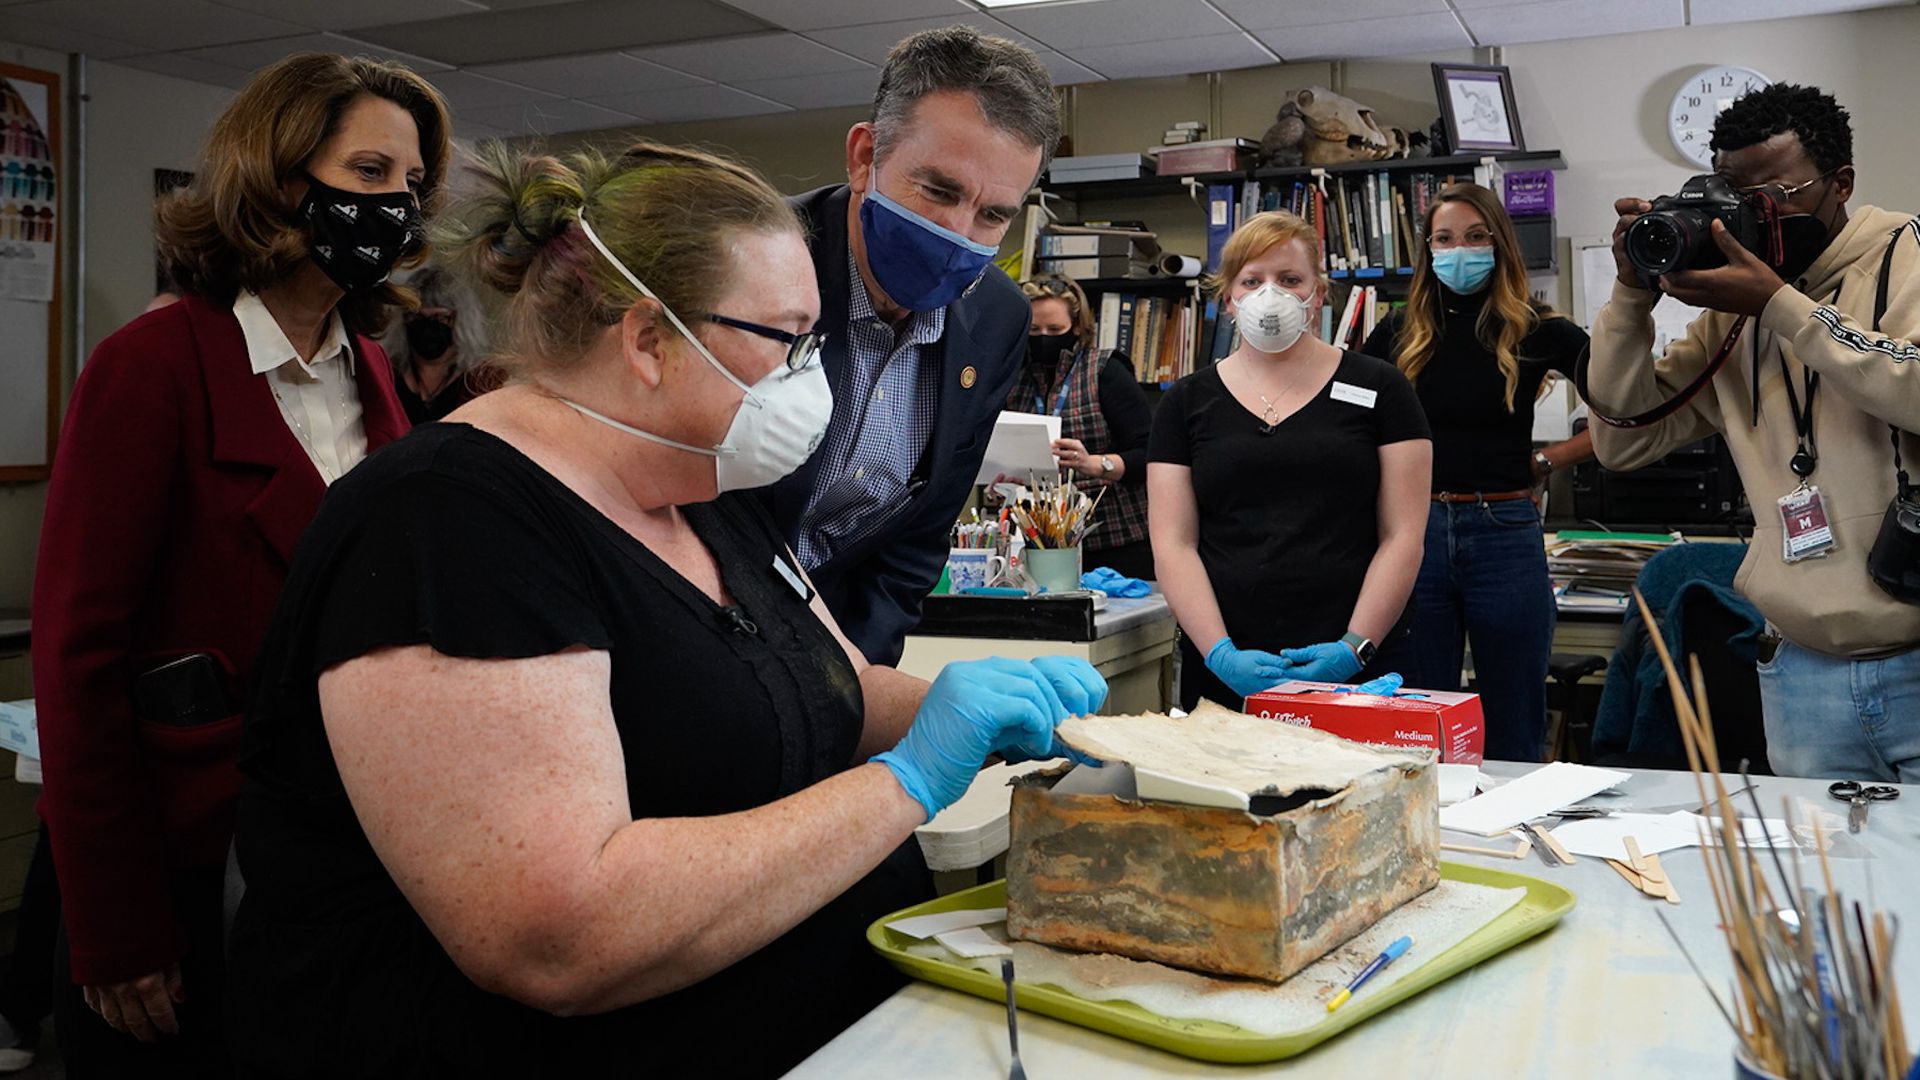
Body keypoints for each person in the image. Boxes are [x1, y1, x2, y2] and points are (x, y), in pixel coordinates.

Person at [225, 141, 1106, 1078]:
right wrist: (909, 783)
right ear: (648, 340)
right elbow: (557, 935)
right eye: (788, 340)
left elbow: (819, 690)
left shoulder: (701, 488)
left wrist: (951, 704)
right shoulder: (446, 517)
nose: (815, 375)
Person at [29, 53, 445, 1074]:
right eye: (372, 172)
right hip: (187, 855)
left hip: (344, 852)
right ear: (279, 175)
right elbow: (77, 660)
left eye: (414, 182)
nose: (400, 204)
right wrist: (114, 926)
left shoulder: (372, 368)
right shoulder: (153, 365)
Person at [1588, 83, 1920, 781]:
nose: (1755, 218)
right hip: (1798, 666)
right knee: (1829, 884)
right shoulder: (1731, 318)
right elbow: (1622, 438)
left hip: (1914, 657)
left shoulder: (1904, 254)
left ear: (1841, 184)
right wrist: (1630, 297)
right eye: (1740, 198)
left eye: (1777, 198)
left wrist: (1781, 305)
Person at [762, 26, 1061, 666]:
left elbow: (917, 543)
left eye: (993, 215)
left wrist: (856, 687)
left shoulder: (997, 317)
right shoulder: (755, 262)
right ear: (865, 156)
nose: (958, 233)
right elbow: (694, 507)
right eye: (939, 191)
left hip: (838, 644)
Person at [1150, 211, 1432, 711]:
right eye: (1252, 281)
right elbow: (1174, 541)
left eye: (1289, 279)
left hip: (1359, 660)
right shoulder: (1185, 403)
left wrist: (1354, 646)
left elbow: (1404, 534)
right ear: (1227, 301)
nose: (1269, 295)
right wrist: (1218, 653)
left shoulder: (1382, 388)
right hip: (1229, 663)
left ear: (1318, 295)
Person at [1361, 183, 1592, 760]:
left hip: (1505, 532)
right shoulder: (1397, 333)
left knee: (1514, 724)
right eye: (1444, 238)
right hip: (1415, 538)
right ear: (1427, 249)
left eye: (1474, 237)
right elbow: (1347, 424)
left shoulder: (1542, 330)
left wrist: (1545, 462)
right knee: (1419, 725)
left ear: (1499, 244)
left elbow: (1630, 412)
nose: (1458, 250)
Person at [1008, 274, 1155, 580]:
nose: (1043, 337)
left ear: (1076, 326)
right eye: (1034, 330)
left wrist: (1093, 463)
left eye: (1054, 329)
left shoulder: (1105, 371)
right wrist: (1005, 485)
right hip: (1039, 542)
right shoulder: (1014, 378)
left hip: (1116, 540)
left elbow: (1150, 454)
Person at [385, 263, 485, 424]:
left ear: (462, 320)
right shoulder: (386, 376)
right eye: (416, 317)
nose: (427, 326)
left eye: (439, 318)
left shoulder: (482, 381)